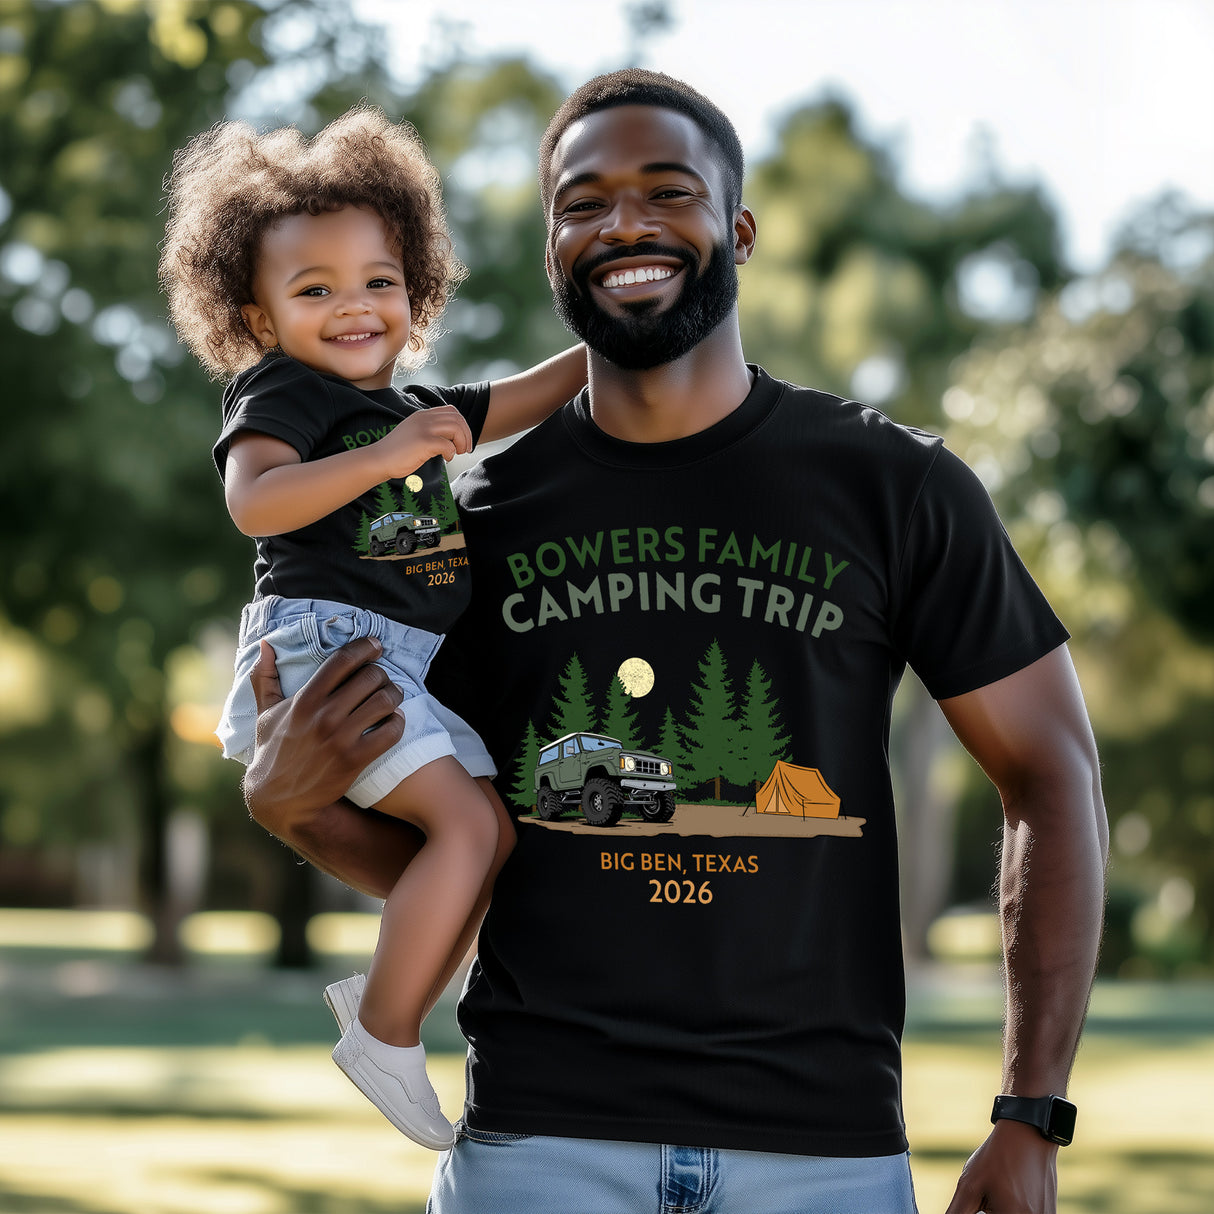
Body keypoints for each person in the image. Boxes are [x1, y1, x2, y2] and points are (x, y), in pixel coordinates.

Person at [239, 72, 1108, 1214]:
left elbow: (1052, 776)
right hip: (535, 1147)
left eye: (665, 190)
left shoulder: (894, 486)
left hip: (823, 1153)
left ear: (736, 229)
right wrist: (297, 809)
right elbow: (474, 851)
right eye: (581, 201)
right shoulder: (455, 522)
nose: (623, 224)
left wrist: (1029, 1110)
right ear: (551, 247)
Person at [158, 105, 586, 1150]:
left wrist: (607, 350)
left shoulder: (411, 405)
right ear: (256, 318)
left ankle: (385, 1008)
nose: (354, 306)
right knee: (472, 830)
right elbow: (256, 504)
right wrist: (386, 456)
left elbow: (527, 393)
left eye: (378, 281)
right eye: (314, 290)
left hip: (399, 661)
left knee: (485, 838)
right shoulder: (284, 393)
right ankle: (387, 1028)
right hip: (325, 650)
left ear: (416, 291)